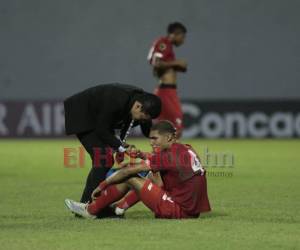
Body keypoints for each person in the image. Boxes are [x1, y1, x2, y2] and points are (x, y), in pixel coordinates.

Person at [65, 121, 211, 219]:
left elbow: (127, 172)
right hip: (192, 210)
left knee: (131, 177)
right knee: (150, 174)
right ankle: (118, 209)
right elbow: (166, 165)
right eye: (150, 138)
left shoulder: (168, 156)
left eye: (155, 138)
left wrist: (101, 185)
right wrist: (142, 155)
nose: (151, 142)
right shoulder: (186, 148)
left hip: (179, 210)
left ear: (168, 138)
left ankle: (90, 210)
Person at [64, 83, 162, 216]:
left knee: (105, 159)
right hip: (83, 113)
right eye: (143, 118)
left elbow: (148, 130)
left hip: (100, 118)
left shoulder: (143, 104)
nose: (142, 121)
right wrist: (121, 148)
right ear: (138, 106)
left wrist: (164, 140)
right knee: (103, 158)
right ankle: (87, 207)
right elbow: (102, 129)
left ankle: (95, 206)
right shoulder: (116, 100)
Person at [147, 22, 187, 137]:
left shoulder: (168, 46)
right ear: (175, 34)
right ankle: (170, 154)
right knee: (176, 126)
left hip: (167, 90)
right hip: (166, 91)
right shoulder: (164, 43)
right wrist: (177, 62)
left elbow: (162, 65)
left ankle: (162, 154)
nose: (183, 40)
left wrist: (177, 67)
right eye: (182, 36)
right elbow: (157, 63)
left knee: (165, 129)